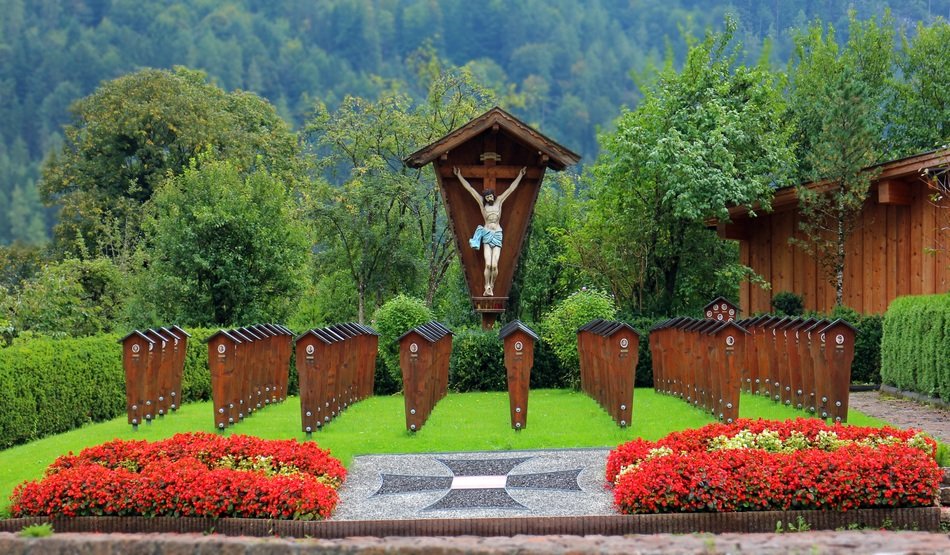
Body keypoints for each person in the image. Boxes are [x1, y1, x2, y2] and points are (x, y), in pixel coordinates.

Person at [453, 165, 527, 296]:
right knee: (488, 264)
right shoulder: (482, 205)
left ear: (493, 195)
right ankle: (487, 285)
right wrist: (459, 176)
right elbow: (470, 189)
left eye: (490, 197)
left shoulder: (499, 201)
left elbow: (511, 189)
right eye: (487, 198)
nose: (489, 199)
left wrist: (520, 175)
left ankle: (491, 285)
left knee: (495, 265)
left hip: (497, 233)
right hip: (487, 234)